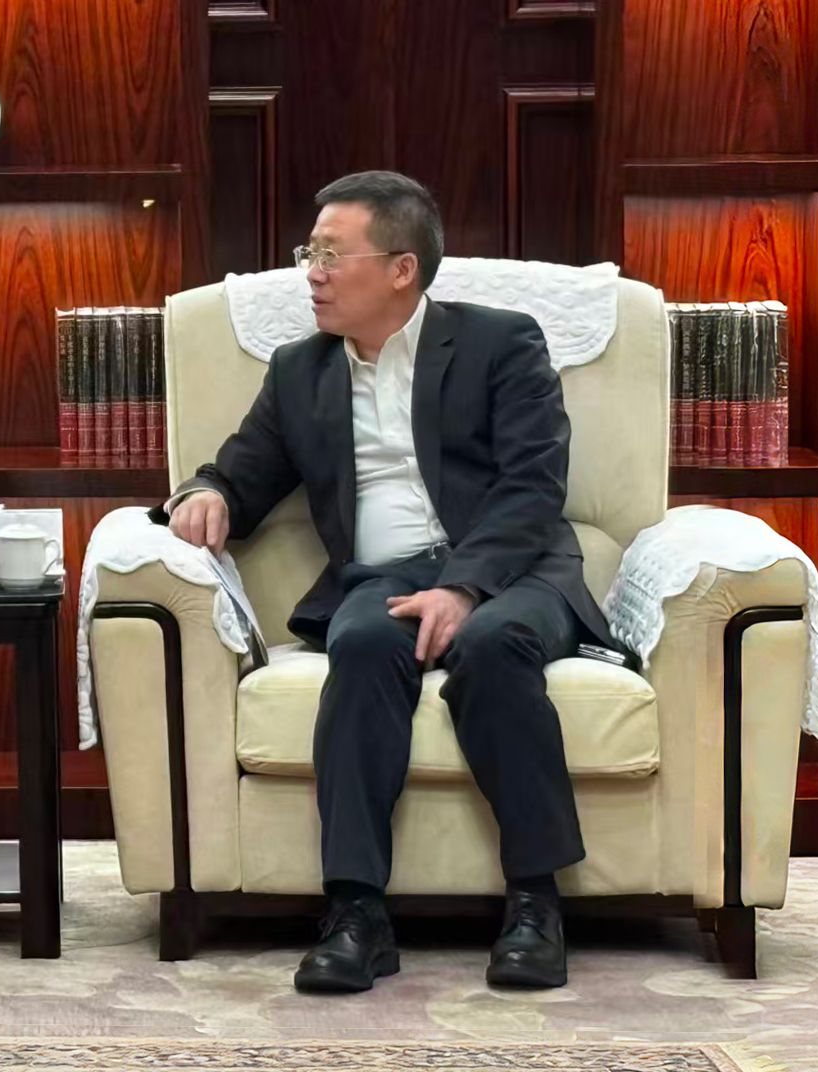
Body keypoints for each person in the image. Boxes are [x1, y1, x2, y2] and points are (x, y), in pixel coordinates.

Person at [164, 171, 619, 993]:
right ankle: (356, 913)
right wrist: (207, 495)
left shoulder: (501, 343)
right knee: (363, 643)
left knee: (493, 646)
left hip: (512, 571)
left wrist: (464, 587)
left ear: (402, 268)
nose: (312, 274)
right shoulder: (300, 371)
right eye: (309, 254)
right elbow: (241, 473)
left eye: (331, 255)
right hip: (385, 579)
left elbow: (532, 487)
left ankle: (534, 903)